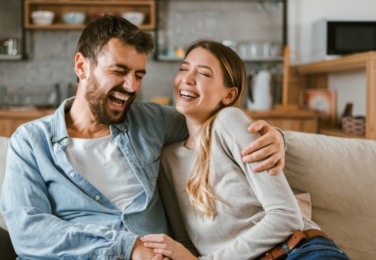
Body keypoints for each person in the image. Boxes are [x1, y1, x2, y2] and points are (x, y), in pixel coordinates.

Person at [1, 16, 286, 260]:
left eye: (139, 74)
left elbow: (212, 119)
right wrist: (127, 248)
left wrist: (276, 137)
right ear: (82, 66)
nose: (131, 86)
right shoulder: (30, 141)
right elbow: (28, 231)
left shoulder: (151, 120)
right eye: (119, 71)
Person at [140, 40, 351, 260]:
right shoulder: (167, 159)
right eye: (183, 69)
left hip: (297, 252)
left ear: (229, 96)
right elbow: (187, 244)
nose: (187, 79)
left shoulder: (228, 121)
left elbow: (286, 217)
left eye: (203, 74)